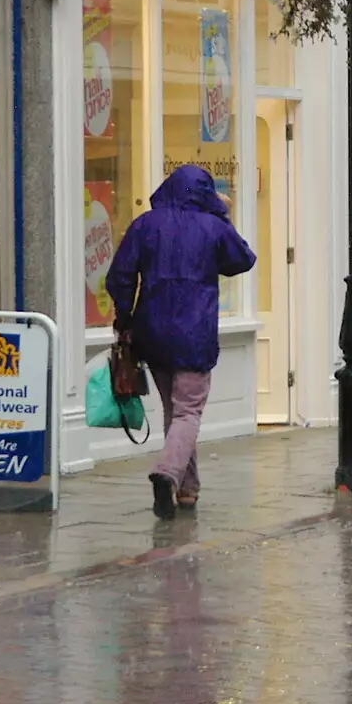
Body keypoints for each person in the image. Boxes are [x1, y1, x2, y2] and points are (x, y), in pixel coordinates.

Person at [105, 165, 255, 519]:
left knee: (175, 414)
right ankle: (167, 473)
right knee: (188, 412)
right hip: (193, 332)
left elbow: (120, 276)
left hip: (152, 332)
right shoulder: (212, 227)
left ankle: (187, 490)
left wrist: (124, 318)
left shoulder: (146, 224)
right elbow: (242, 260)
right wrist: (221, 213)